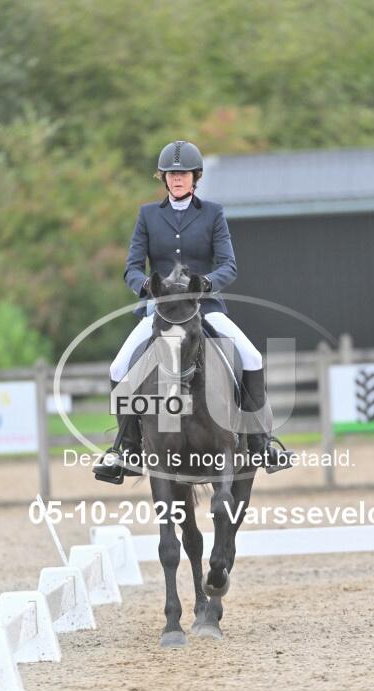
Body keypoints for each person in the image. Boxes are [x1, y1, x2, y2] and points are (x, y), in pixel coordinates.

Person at [93, 140, 293, 483]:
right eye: (171, 175)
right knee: (119, 366)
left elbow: (228, 265)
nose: (177, 179)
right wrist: (148, 286)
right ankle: (127, 449)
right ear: (163, 178)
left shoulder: (213, 213)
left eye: (183, 174)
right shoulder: (148, 216)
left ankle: (262, 444)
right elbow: (132, 268)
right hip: (160, 312)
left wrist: (205, 283)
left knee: (252, 357)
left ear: (195, 177)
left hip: (204, 308)